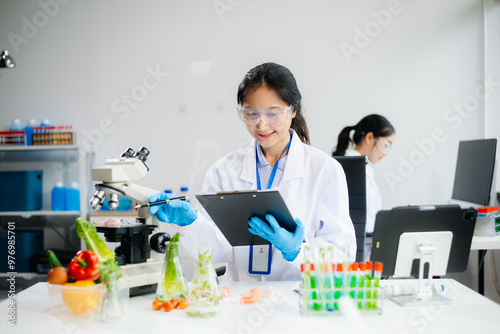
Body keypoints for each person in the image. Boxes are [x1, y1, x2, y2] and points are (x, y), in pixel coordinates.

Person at [149, 62, 356, 281]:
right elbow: (216, 251)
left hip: (295, 299)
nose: (261, 125)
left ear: (293, 110)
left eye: (273, 113)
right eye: (251, 113)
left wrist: (297, 252)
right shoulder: (224, 171)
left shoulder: (324, 170)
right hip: (240, 299)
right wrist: (192, 223)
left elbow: (342, 254)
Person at [332, 114, 395, 259]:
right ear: (369, 138)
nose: (386, 153)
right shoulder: (351, 169)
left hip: (363, 250)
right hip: (353, 252)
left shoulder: (364, 170)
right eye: (386, 144)